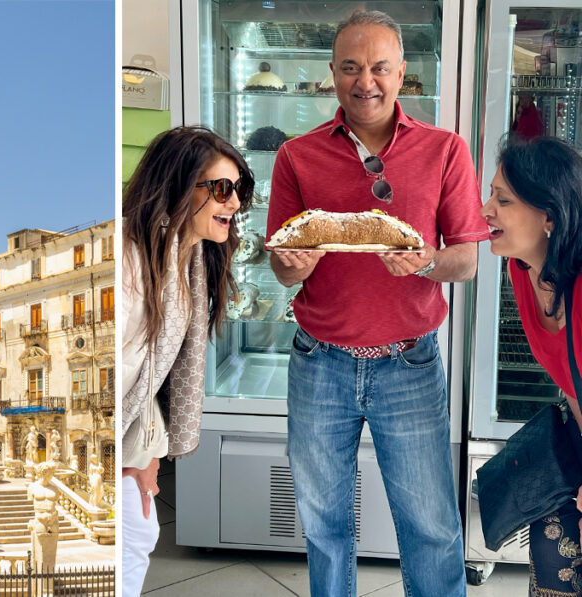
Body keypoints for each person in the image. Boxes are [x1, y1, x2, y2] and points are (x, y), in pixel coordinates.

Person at [265, 10, 489, 596]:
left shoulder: (445, 150)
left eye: (379, 67)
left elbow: (465, 260)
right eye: (350, 67)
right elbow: (281, 264)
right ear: (332, 74)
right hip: (319, 362)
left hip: (409, 365)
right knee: (323, 524)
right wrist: (291, 265)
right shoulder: (296, 157)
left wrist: (426, 261)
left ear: (402, 73)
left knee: (432, 526)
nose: (366, 81)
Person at [121, 125, 252, 596]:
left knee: (139, 536)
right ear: (176, 187)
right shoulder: (131, 267)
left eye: (239, 189)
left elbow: (148, 379)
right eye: (221, 188)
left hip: (131, 440)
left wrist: (146, 451)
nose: (235, 203)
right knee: (134, 539)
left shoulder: (186, 260)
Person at [481, 136, 582, 594]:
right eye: (491, 195)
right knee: (550, 557)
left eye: (503, 200)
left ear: (549, 216)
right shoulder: (522, 271)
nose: (486, 209)